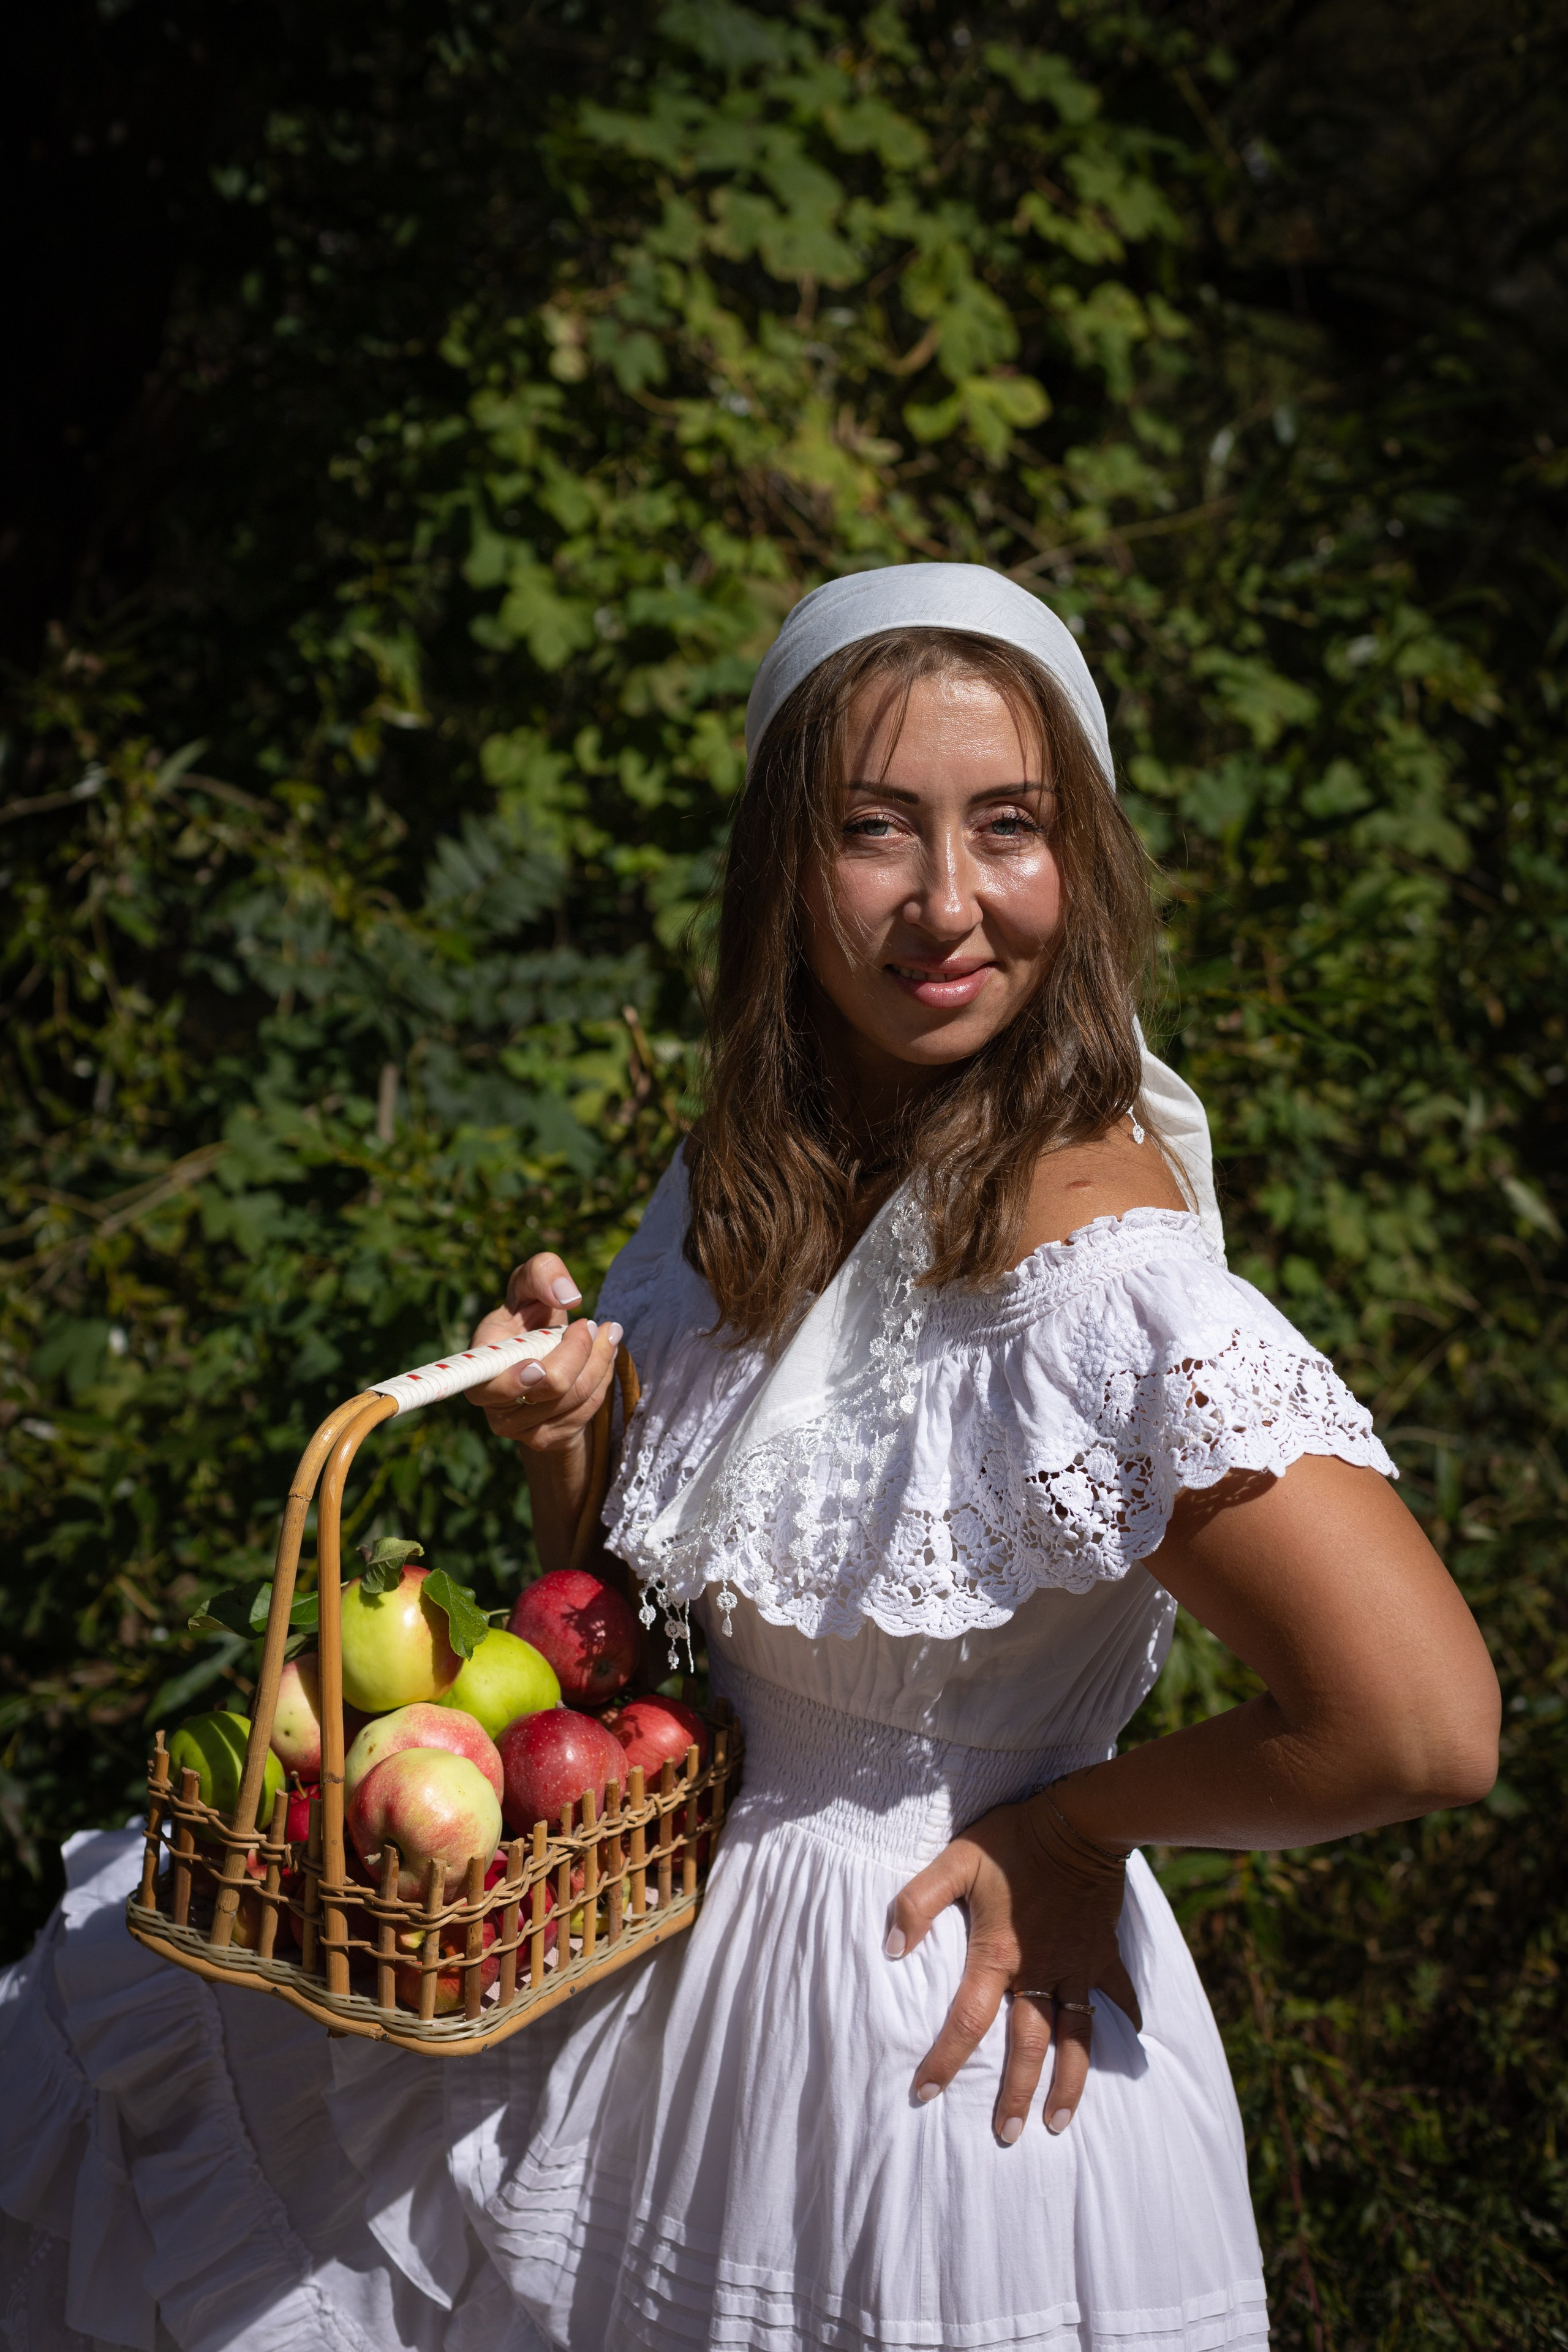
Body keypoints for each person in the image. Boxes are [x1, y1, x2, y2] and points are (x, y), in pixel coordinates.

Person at [0, 565, 1498, 2352]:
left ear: (1080, 866)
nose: (950, 904)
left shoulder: (1106, 1288)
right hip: (663, 2004)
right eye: (878, 831)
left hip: (946, 2058)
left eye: (1009, 828)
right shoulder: (751, 1176)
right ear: (785, 872)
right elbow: (674, 1622)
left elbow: (1421, 1724)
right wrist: (574, 1446)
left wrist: (1079, 1825)